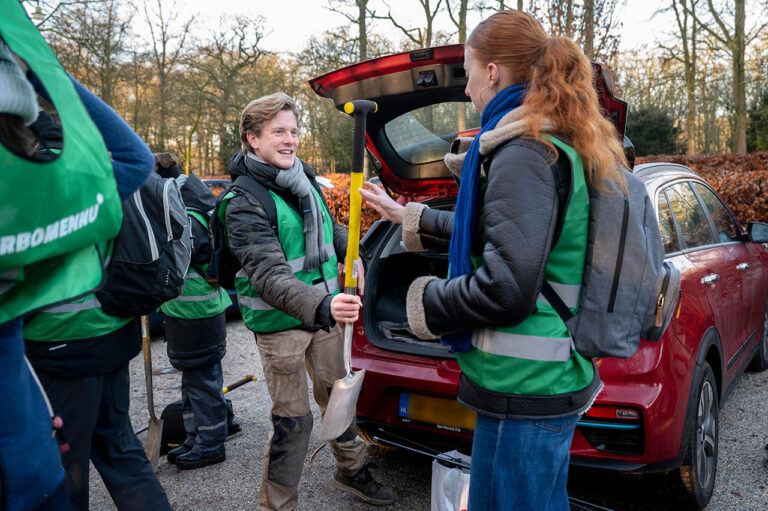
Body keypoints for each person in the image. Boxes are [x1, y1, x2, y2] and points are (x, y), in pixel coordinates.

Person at [360, 10, 628, 511]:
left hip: (521, 385)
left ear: (492, 72)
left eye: (466, 71)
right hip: (540, 377)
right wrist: (411, 216)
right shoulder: (550, 139)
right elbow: (511, 231)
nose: (465, 90)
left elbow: (506, 285)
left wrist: (420, 302)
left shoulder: (523, 150)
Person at [0, 2, 155, 509]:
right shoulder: (65, 191)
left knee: (87, 460)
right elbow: (135, 157)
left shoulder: (26, 202)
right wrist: (40, 66)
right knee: (119, 448)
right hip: (106, 334)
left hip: (64, 346)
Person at [223, 92, 396, 510]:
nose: (290, 140)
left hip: (324, 315)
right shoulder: (242, 202)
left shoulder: (303, 179)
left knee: (340, 399)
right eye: (278, 132)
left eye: (294, 131)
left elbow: (332, 231)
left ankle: (352, 471)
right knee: (293, 420)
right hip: (281, 325)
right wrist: (324, 306)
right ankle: (278, 503)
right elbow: (269, 276)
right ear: (252, 139)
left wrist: (365, 243)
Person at [154, 152, 232, 470]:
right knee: (194, 381)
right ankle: (195, 437)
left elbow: (179, 264)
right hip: (193, 313)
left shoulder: (184, 215)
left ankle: (211, 443)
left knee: (203, 382)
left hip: (196, 315)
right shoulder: (192, 207)